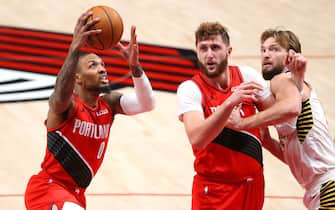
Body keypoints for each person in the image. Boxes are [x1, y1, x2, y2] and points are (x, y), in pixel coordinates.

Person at [24, 10, 155, 210]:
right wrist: (74, 49)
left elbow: (147, 104)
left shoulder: (108, 105)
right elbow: (59, 95)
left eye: (103, 64)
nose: (102, 69)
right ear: (77, 78)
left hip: (76, 195)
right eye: (93, 66)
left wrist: (135, 67)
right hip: (47, 189)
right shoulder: (67, 107)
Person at [228, 28, 335, 209]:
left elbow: (291, 108)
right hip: (322, 188)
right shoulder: (291, 88)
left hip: (328, 188)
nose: (266, 55)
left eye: (274, 49)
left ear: (290, 56)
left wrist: (242, 123)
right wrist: (269, 142)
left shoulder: (281, 80)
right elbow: (301, 158)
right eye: (263, 50)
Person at [176, 22, 270, 210]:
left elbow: (277, 114)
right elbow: (197, 138)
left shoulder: (247, 76)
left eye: (215, 47)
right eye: (203, 48)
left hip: (253, 184)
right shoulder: (190, 89)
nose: (209, 54)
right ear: (197, 52)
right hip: (215, 191)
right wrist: (228, 104)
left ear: (228, 50)